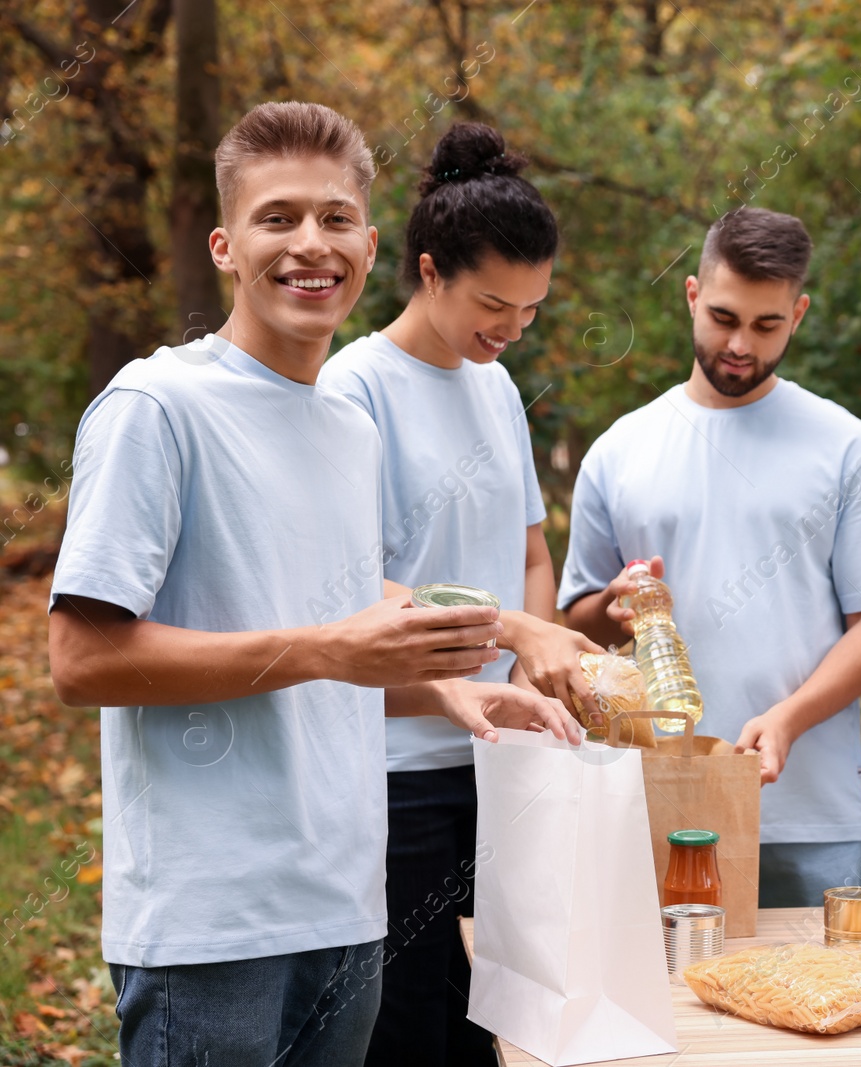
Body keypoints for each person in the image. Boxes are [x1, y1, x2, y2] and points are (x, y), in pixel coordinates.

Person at [47, 102, 579, 1067]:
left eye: (335, 219)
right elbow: (83, 659)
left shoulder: (346, 430)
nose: (310, 244)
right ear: (224, 245)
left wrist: (451, 687)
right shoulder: (155, 404)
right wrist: (337, 648)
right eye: (277, 217)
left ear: (371, 246)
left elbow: (330, 652)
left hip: (346, 910)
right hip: (212, 930)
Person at [322, 121, 602, 1067]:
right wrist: (515, 625)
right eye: (494, 303)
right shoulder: (354, 386)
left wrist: (535, 643)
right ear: (429, 270)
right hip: (400, 761)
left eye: (531, 310)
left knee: (498, 1019)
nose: (513, 329)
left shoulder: (496, 387)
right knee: (406, 1025)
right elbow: (356, 580)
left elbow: (529, 546)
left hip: (507, 755)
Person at [558, 207, 861, 907]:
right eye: (724, 317)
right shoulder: (621, 450)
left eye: (766, 325)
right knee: (662, 1014)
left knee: (819, 1007)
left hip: (808, 814)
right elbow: (576, 622)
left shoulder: (848, 448)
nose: (739, 344)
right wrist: (615, 606)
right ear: (692, 294)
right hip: (654, 806)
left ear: (800, 313)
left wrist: (787, 718)